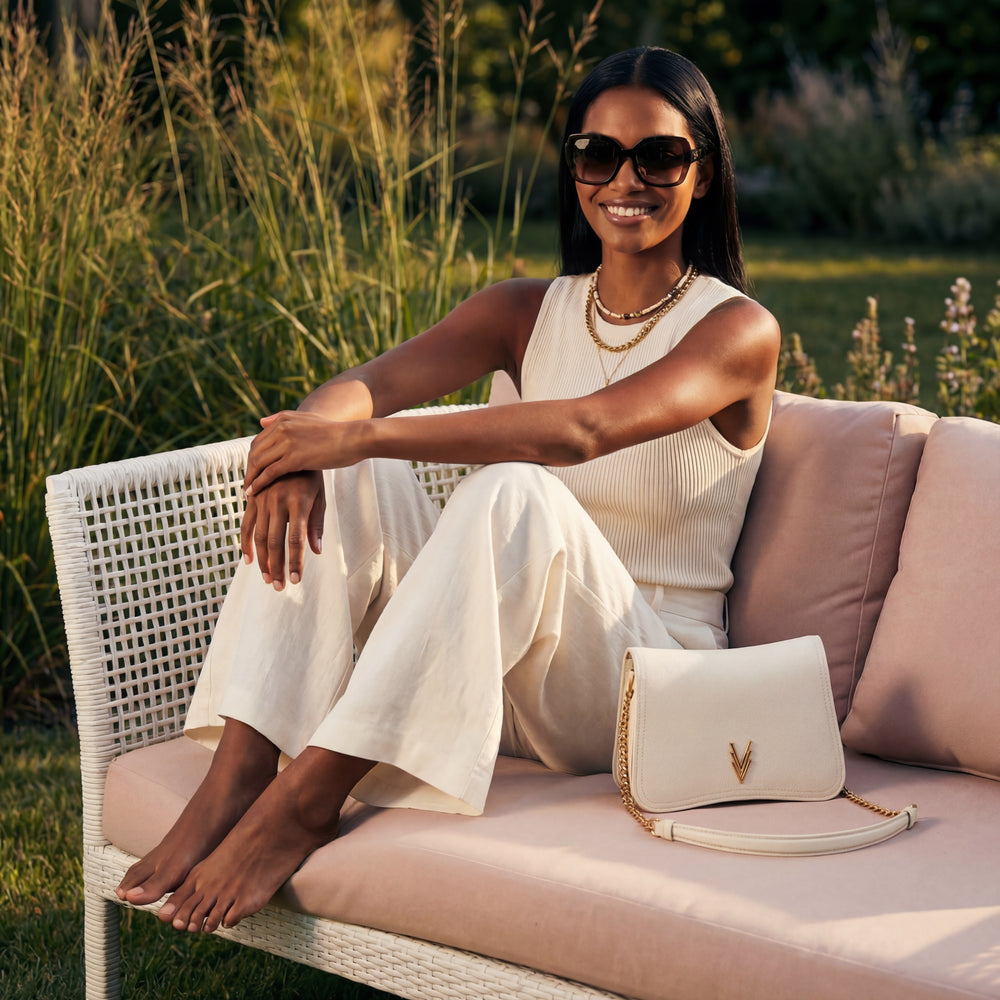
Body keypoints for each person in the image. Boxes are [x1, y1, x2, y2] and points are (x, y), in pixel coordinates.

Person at [116, 45, 780, 934]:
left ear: (704, 172)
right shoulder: (523, 310)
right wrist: (302, 453)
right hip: (501, 673)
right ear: (573, 169)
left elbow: (580, 430)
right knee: (358, 470)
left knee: (512, 491)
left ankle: (306, 799)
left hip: (641, 689)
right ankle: (239, 770)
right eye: (598, 154)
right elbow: (363, 385)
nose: (626, 180)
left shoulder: (738, 331)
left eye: (659, 156)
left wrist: (347, 436)